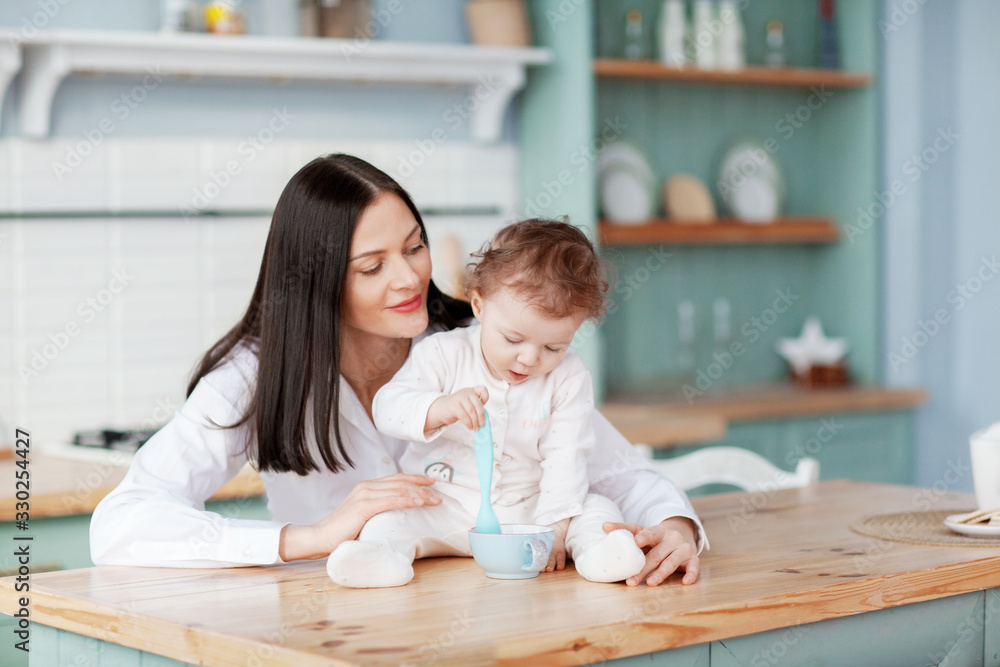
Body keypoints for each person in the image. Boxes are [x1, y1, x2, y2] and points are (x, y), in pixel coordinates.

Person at [90, 154, 705, 588]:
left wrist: (674, 524)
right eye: (372, 266)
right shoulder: (255, 378)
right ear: (316, 281)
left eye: (414, 246)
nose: (410, 277)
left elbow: (617, 472)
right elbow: (122, 524)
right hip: (333, 634)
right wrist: (312, 536)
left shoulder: (484, 343)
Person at [327, 220, 645, 587]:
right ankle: (379, 558)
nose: (529, 359)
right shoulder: (443, 353)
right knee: (388, 520)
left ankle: (602, 554)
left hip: (532, 508)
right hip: (444, 504)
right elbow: (389, 407)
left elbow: (567, 456)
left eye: (553, 347)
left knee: (596, 509)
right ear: (478, 305)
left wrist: (553, 529)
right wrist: (439, 408)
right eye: (513, 339)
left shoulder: (569, 377)